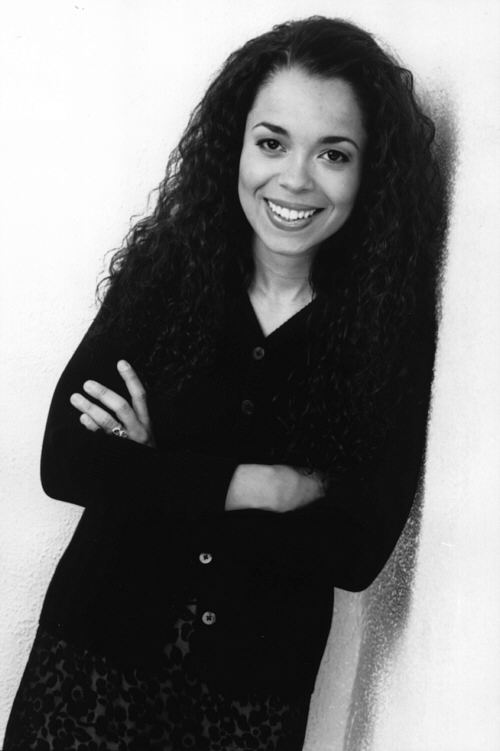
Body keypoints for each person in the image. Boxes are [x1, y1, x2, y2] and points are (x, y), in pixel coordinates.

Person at [3, 15, 443, 751]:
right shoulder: (168, 274)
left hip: (248, 705)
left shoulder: (387, 327)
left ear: (370, 172)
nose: (295, 179)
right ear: (235, 145)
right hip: (88, 674)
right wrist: (260, 486)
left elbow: (355, 550)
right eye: (272, 142)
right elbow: (67, 462)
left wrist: (155, 470)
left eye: (333, 153)